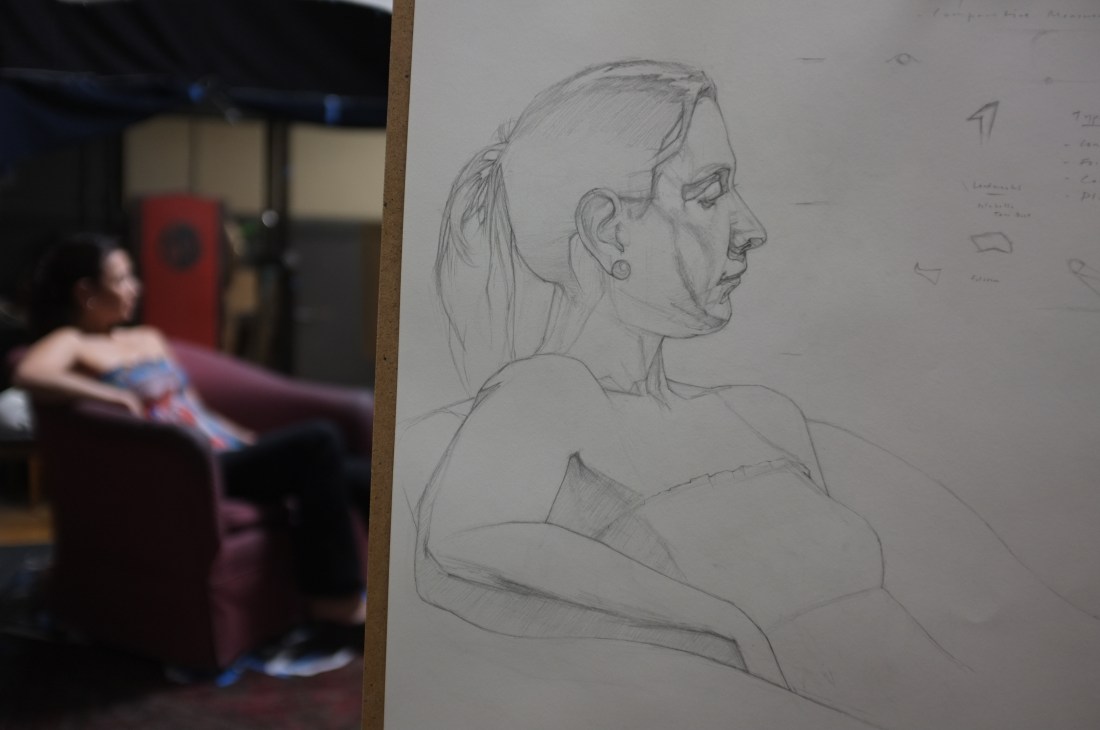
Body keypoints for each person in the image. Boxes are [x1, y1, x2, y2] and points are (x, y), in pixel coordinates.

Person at [410, 61, 1100, 728]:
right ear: (607, 229)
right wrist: (719, 618)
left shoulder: (762, 414)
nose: (752, 228)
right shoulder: (550, 391)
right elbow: (464, 534)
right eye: (709, 194)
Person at [13, 233, 370, 652]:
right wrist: (112, 395)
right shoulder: (72, 343)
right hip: (192, 468)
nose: (135, 288)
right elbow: (29, 374)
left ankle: (396, 583)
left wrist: (248, 439)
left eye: (132, 276)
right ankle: (333, 603)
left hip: (226, 451)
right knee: (321, 438)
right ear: (86, 292)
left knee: (358, 473)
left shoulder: (148, 337)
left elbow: (194, 406)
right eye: (122, 279)